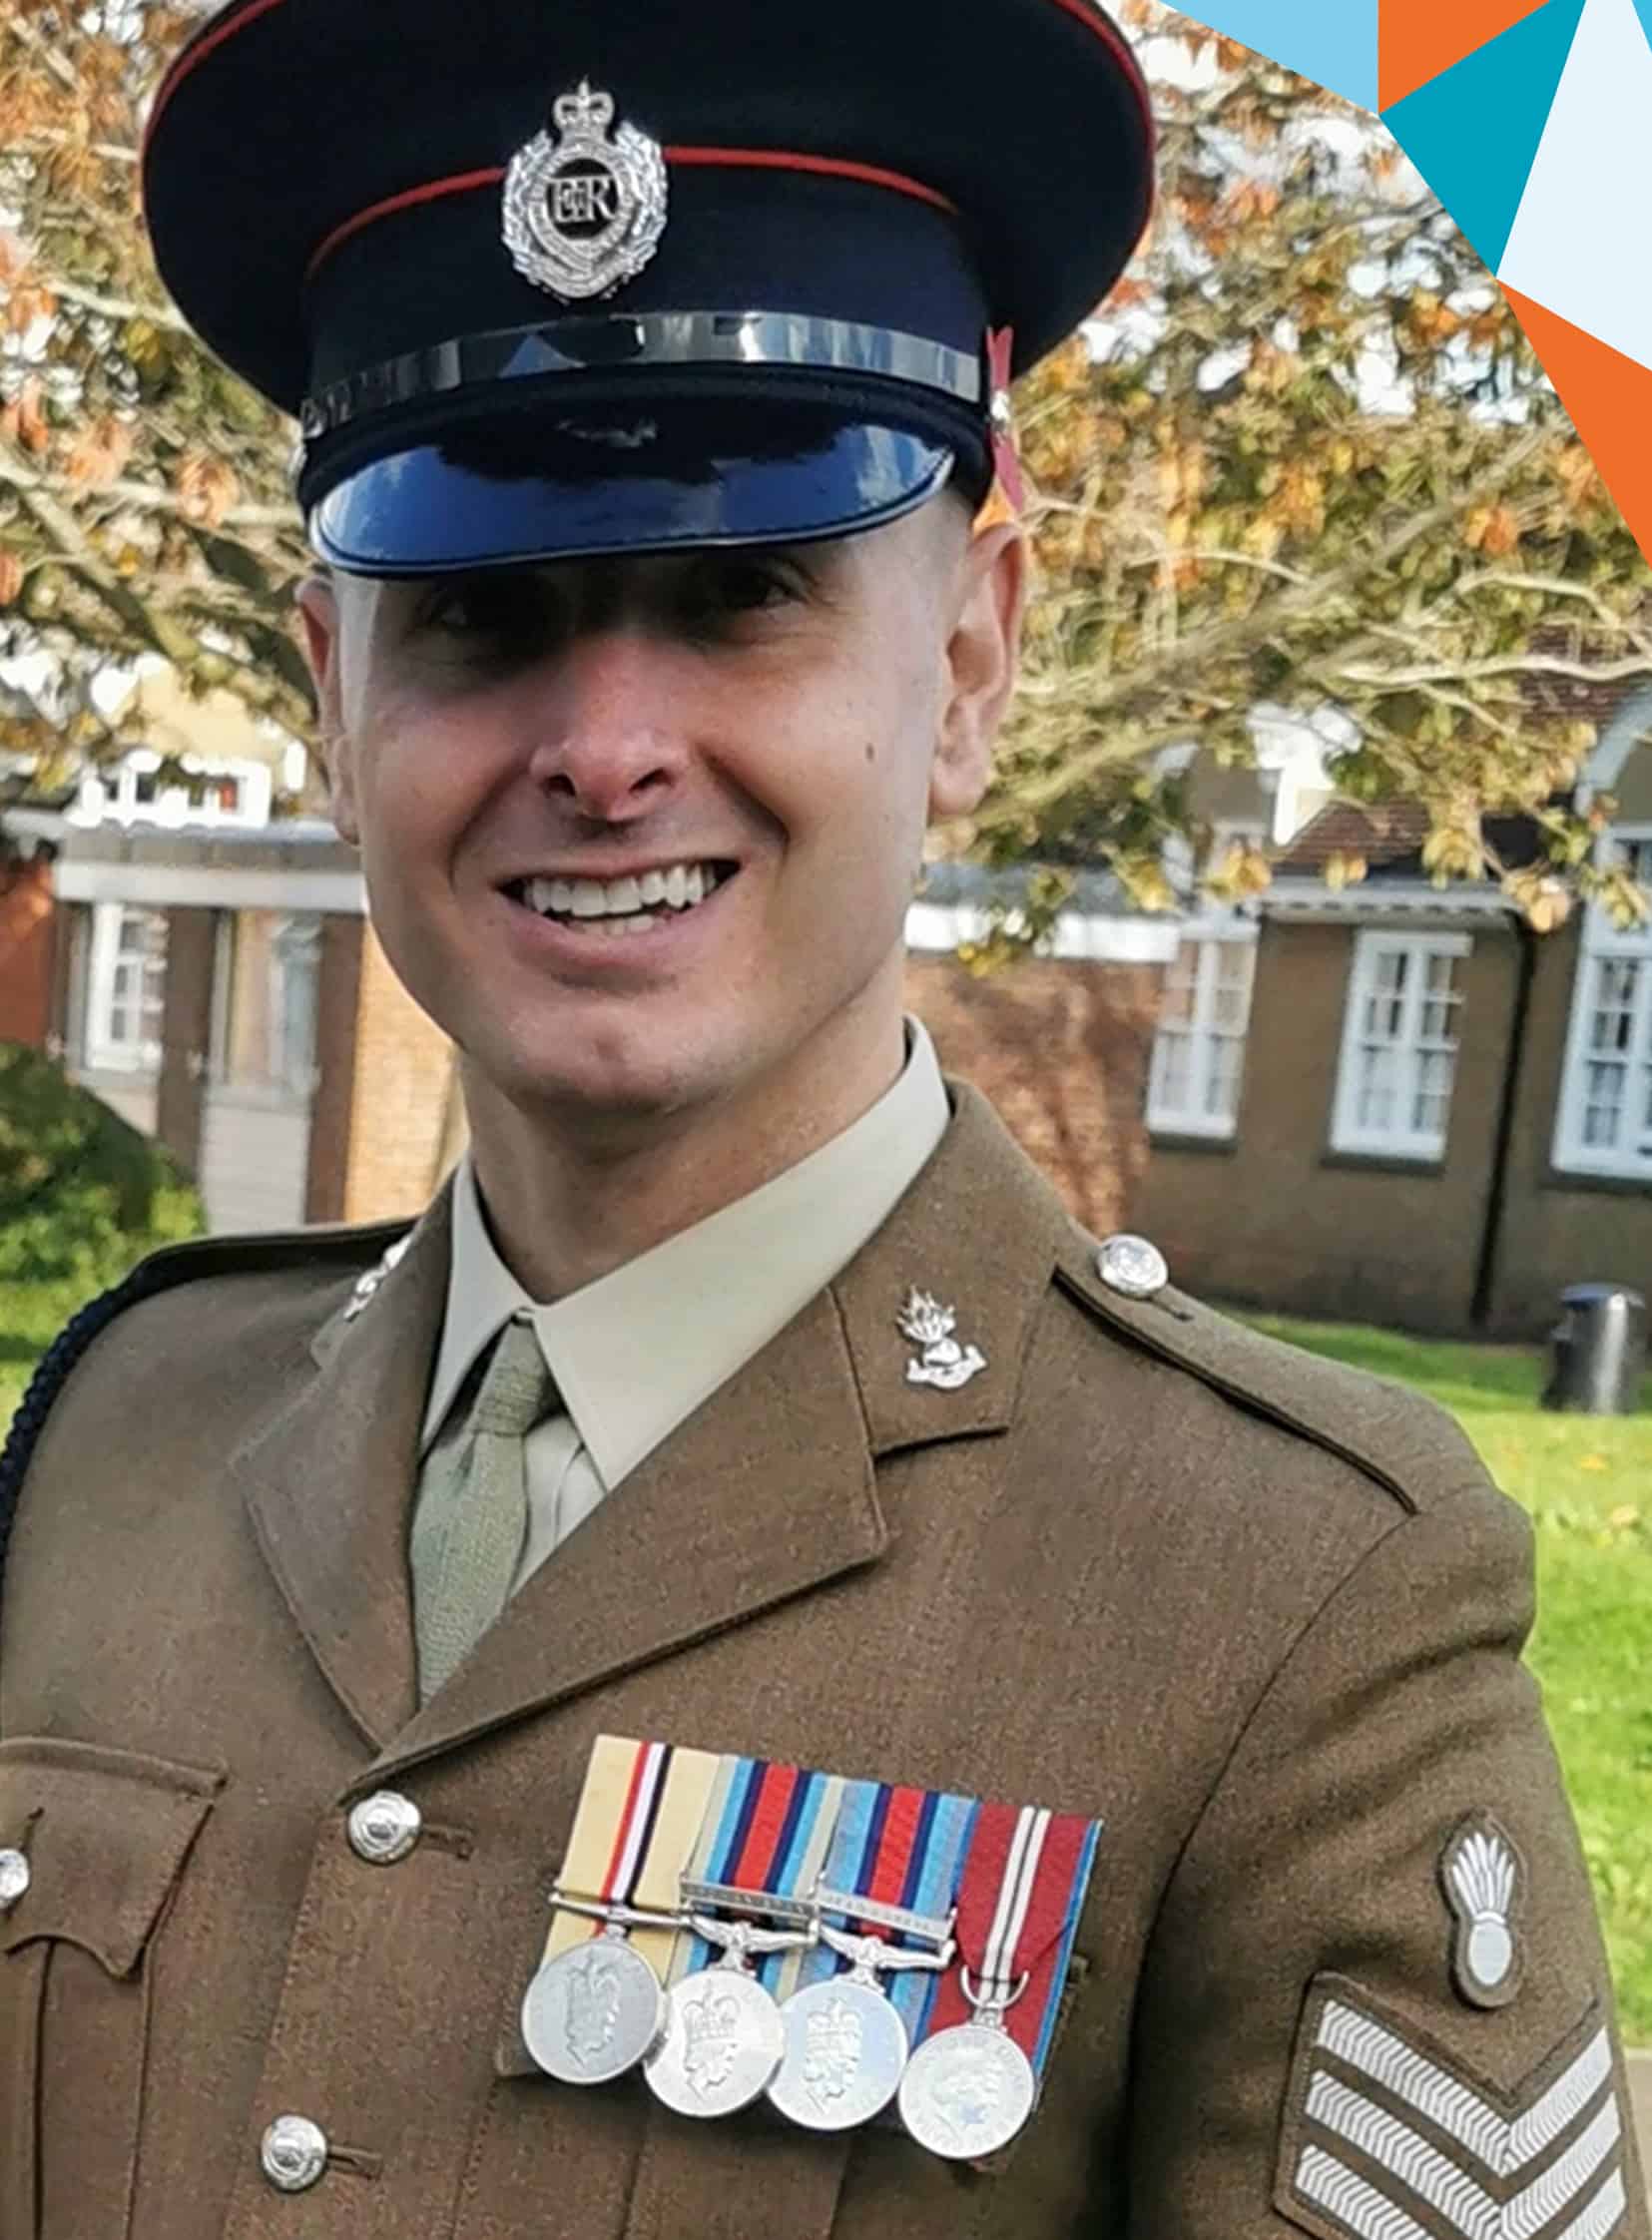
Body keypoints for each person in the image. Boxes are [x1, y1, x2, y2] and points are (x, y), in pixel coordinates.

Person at [0, 0, 1643, 2234]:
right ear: (330, 699)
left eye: (737, 594)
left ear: (968, 662)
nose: (604, 748)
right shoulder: (118, 1445)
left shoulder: (1288, 1599)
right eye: (478, 616)